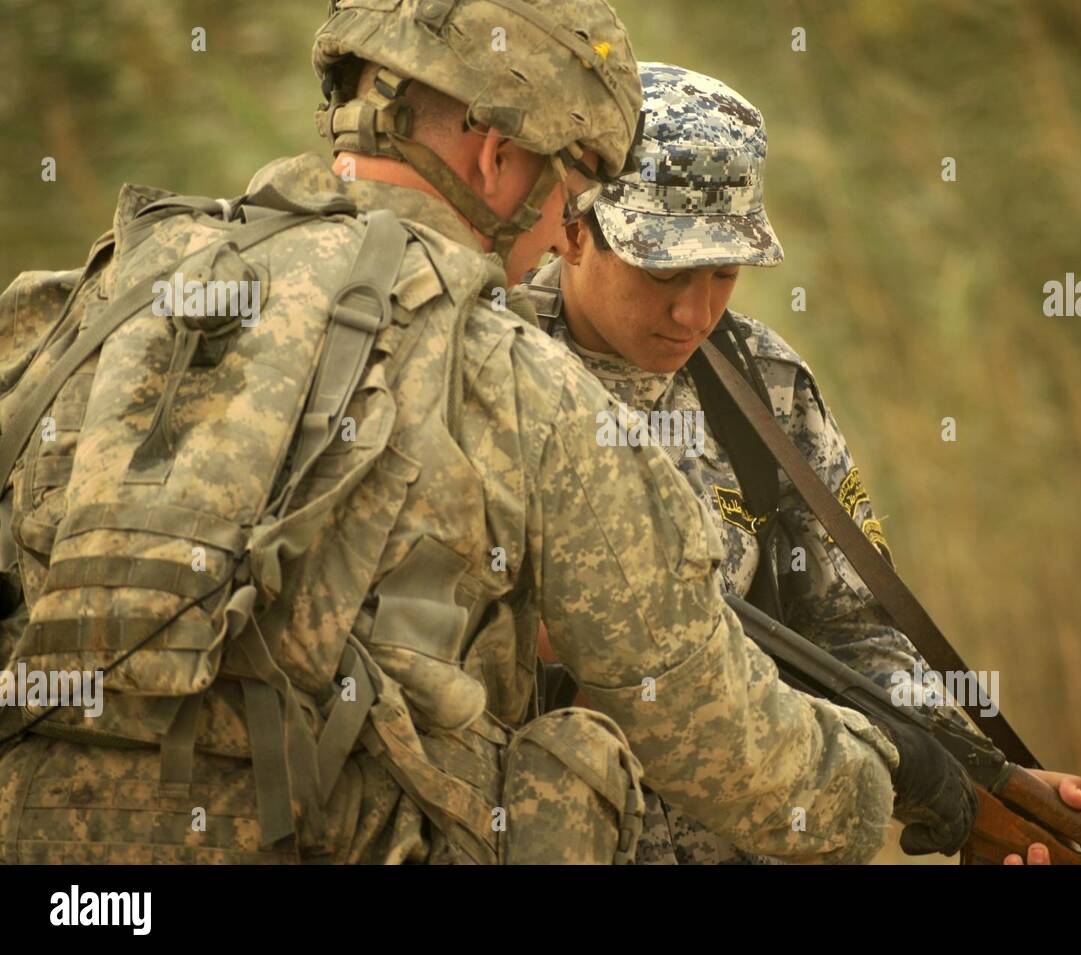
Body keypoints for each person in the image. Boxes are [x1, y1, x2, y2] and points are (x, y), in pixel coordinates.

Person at [0, 2, 975, 864]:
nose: (560, 229)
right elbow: (699, 716)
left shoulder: (96, 297)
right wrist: (911, 792)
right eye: (571, 184)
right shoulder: (511, 376)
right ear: (495, 158)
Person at [522, 62, 1081, 864]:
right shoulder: (492, 374)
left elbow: (852, 633)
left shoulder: (762, 389)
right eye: (663, 271)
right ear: (572, 228)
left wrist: (977, 776)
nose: (694, 311)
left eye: (723, 273)